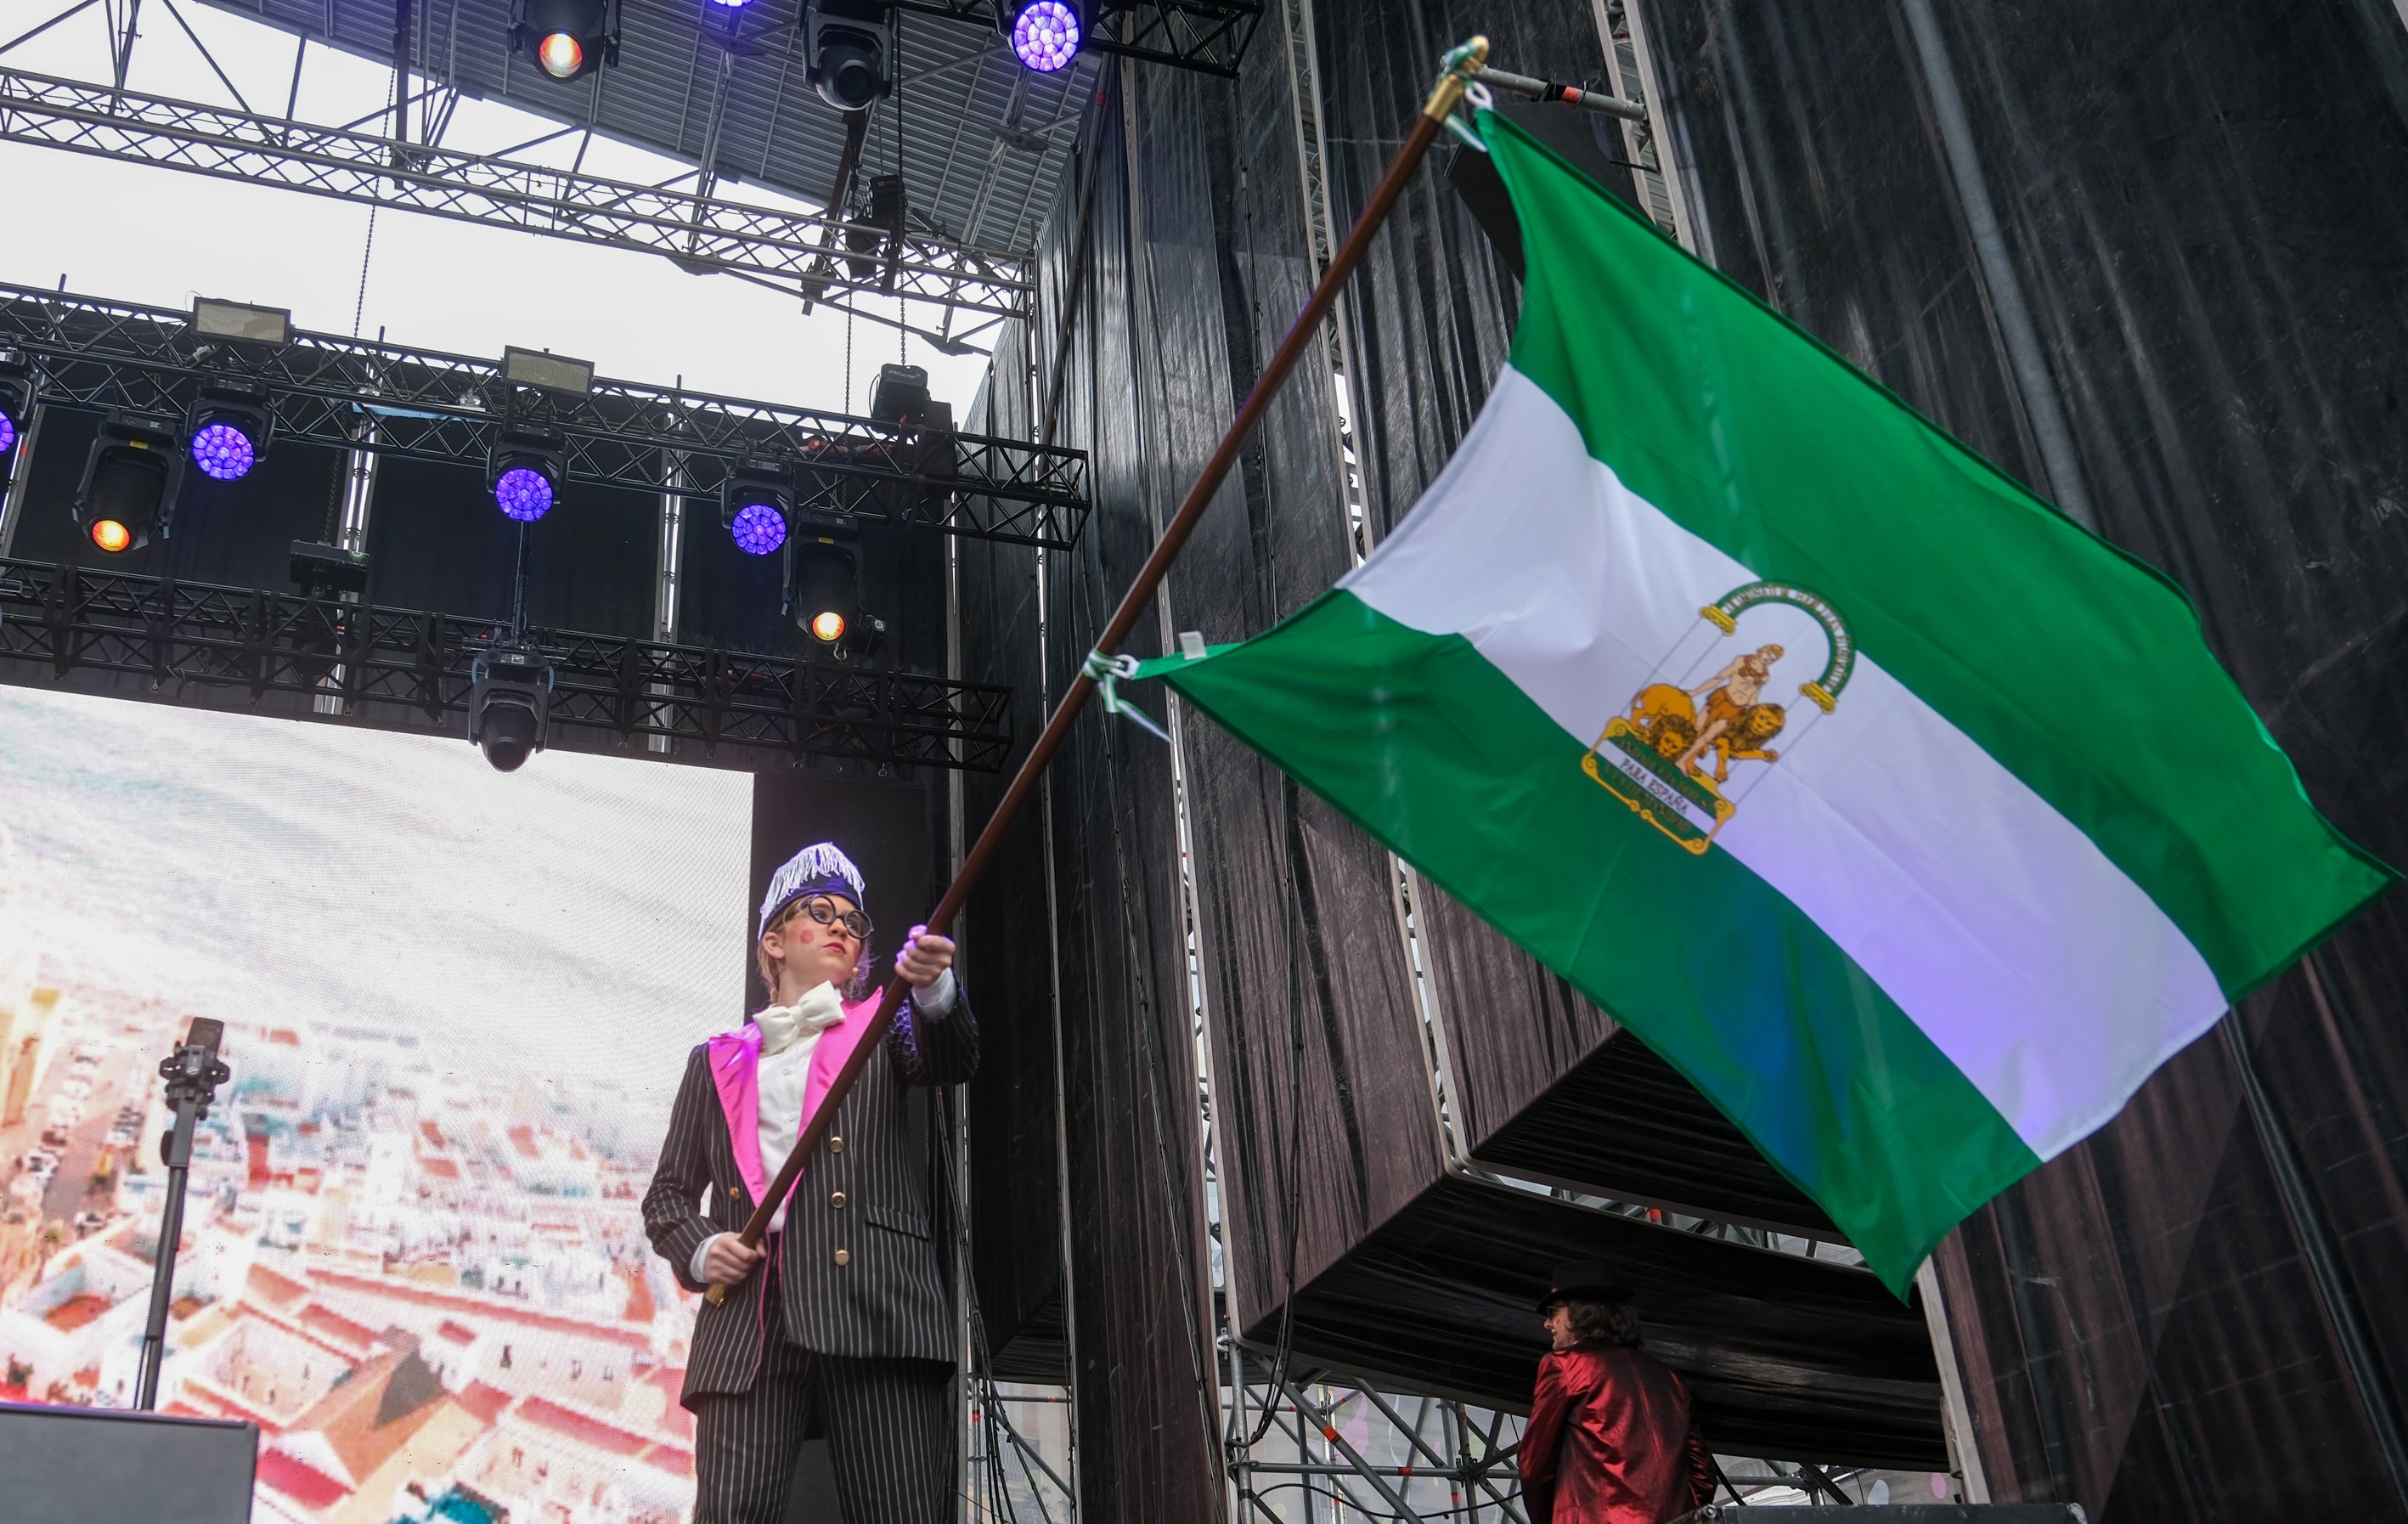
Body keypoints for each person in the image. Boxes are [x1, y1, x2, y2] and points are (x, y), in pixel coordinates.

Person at [644, 842, 978, 1524]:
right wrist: (706, 1249)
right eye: (819, 912)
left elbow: (950, 1056)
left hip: (877, 1304)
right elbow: (668, 1199)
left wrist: (933, 988)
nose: (840, 928)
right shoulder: (713, 1063)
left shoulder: (885, 1025)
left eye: (854, 925)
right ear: (773, 939)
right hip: (748, 1321)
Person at [1520, 1262, 1715, 1524]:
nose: (1547, 1324)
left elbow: (1534, 1465)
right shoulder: (1671, 1380)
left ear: (1579, 1313)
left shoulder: (1565, 1366)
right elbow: (1702, 1475)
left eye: (1554, 1311)